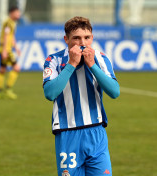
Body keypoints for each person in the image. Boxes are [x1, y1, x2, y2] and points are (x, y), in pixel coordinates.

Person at [43, 16, 120, 176]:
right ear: (66, 39)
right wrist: (71, 64)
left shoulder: (101, 58)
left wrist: (92, 65)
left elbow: (114, 92)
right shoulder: (54, 60)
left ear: (92, 37)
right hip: (67, 134)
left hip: (96, 133)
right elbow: (50, 93)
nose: (82, 43)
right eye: (76, 38)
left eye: (87, 37)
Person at [0, 6, 21, 100]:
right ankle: (8, 89)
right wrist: (5, 51)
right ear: (12, 13)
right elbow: (6, 36)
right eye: (17, 12)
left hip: (3, 49)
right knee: (17, 68)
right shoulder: (8, 23)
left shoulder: (12, 23)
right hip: (6, 50)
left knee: (2, 70)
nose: (19, 14)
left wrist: (17, 48)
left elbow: (12, 36)